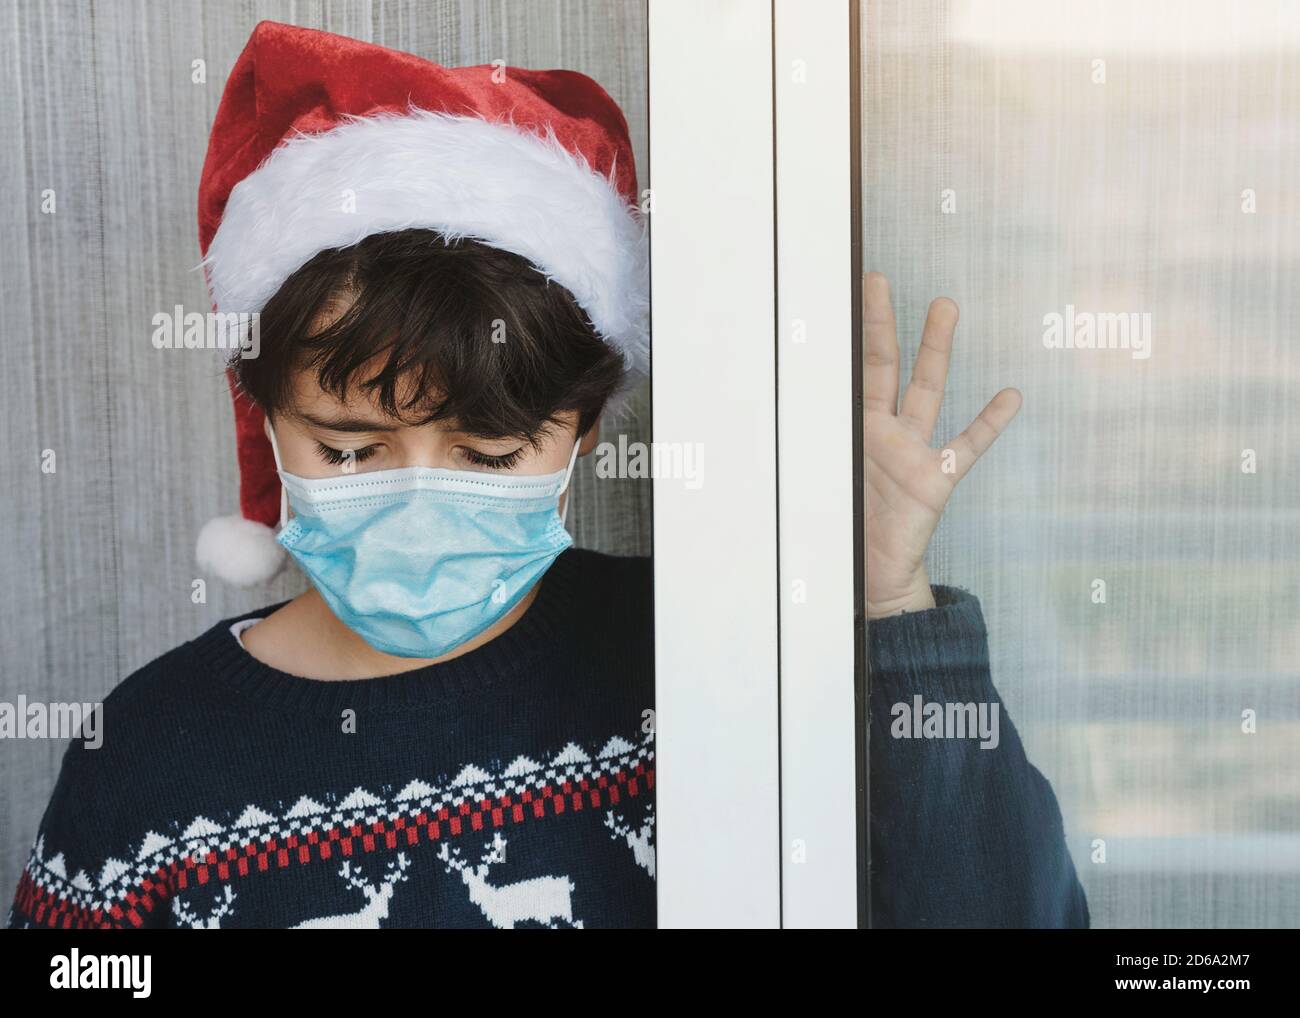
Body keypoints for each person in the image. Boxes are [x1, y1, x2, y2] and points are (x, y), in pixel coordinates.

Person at [5, 22, 1086, 930]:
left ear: (580, 432)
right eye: (347, 448)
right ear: (265, 417)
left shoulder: (704, 660)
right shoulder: (146, 758)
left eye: (485, 455)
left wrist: (889, 609)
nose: (416, 501)